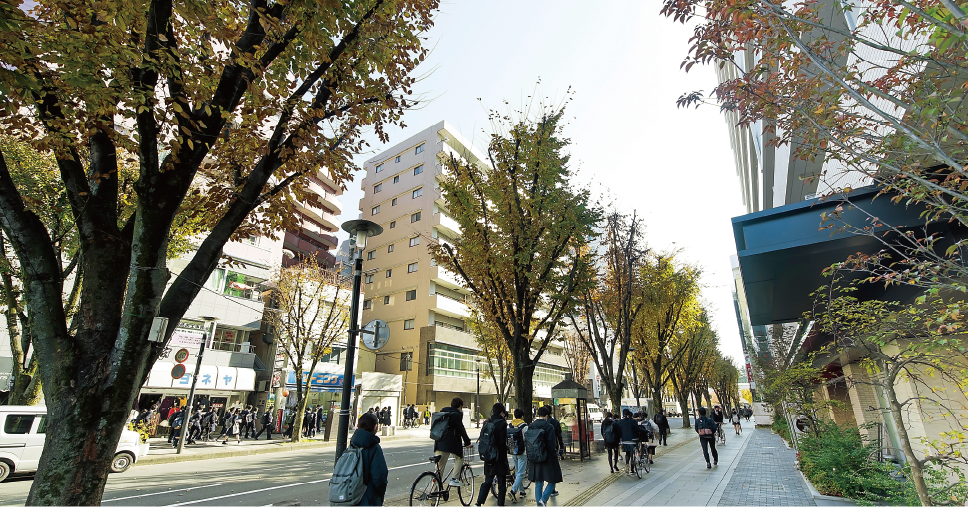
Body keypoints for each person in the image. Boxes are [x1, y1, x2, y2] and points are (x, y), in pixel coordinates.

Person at [349, 412, 389, 507]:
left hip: (348, 495)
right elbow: (379, 477)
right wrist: (378, 496)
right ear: (375, 427)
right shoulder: (374, 448)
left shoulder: (352, 445)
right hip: (367, 499)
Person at [475, 403, 509, 507]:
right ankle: (500, 504)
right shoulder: (502, 423)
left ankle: (478, 503)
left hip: (488, 456)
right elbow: (502, 442)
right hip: (499, 457)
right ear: (502, 412)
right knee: (502, 482)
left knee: (488, 480)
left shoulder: (487, 422)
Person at [528, 406, 562, 507]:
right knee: (553, 480)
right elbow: (552, 445)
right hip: (548, 457)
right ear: (547, 416)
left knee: (538, 483)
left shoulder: (531, 426)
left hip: (535, 458)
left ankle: (540, 505)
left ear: (538, 414)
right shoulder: (549, 426)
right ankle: (543, 499)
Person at [434, 397, 472, 487]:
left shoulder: (442, 413)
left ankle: (433, 495)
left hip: (439, 443)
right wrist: (467, 443)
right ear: (460, 406)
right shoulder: (456, 415)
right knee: (459, 458)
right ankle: (454, 479)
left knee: (439, 470)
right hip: (451, 445)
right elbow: (461, 430)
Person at [508, 408, 529, 498]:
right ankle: (513, 490)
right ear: (522, 416)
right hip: (522, 452)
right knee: (520, 473)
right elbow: (527, 440)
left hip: (513, 451)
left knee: (517, 472)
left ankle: (522, 491)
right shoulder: (525, 427)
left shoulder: (510, 425)